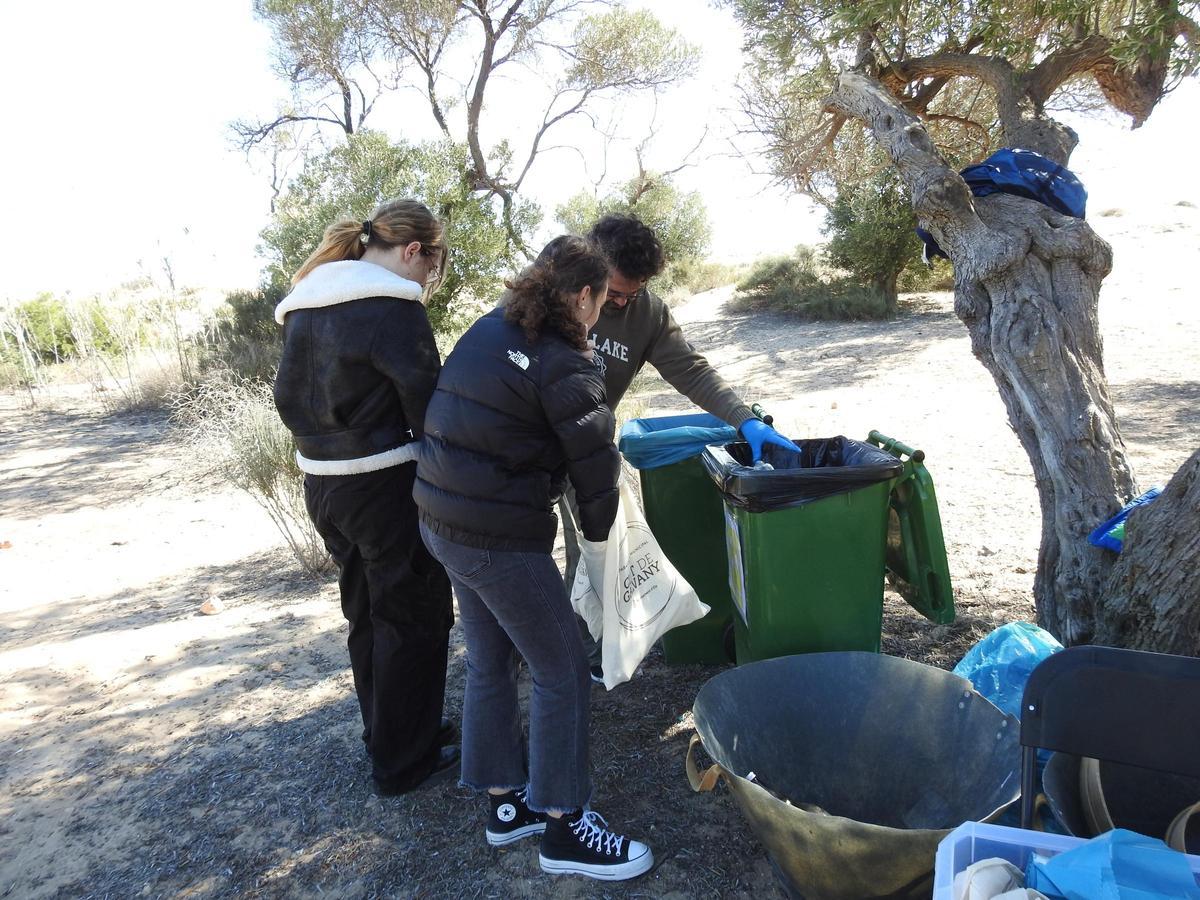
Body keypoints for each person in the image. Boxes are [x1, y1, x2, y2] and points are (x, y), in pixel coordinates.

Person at [414, 235, 654, 881]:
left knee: (491, 659)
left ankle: (505, 806)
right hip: (496, 539)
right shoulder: (567, 360)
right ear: (581, 296)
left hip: (442, 523)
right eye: (602, 302)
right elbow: (596, 471)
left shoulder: (489, 327)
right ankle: (565, 826)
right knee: (563, 668)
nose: (601, 315)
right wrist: (605, 551)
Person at [272, 199, 458, 796]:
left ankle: (393, 734)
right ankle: (405, 762)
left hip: (323, 485)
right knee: (415, 616)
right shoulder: (391, 304)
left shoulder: (305, 302)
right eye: (431, 267)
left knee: (367, 613)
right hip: (384, 484)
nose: (427, 281)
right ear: (412, 251)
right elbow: (429, 407)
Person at [562, 214, 794, 679]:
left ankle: (584, 649)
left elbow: (690, 370)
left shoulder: (647, 312)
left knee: (594, 548)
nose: (622, 302)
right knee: (519, 552)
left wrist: (744, 419)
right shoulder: (559, 290)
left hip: (587, 446)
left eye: (634, 292)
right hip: (528, 442)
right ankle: (526, 645)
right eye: (616, 291)